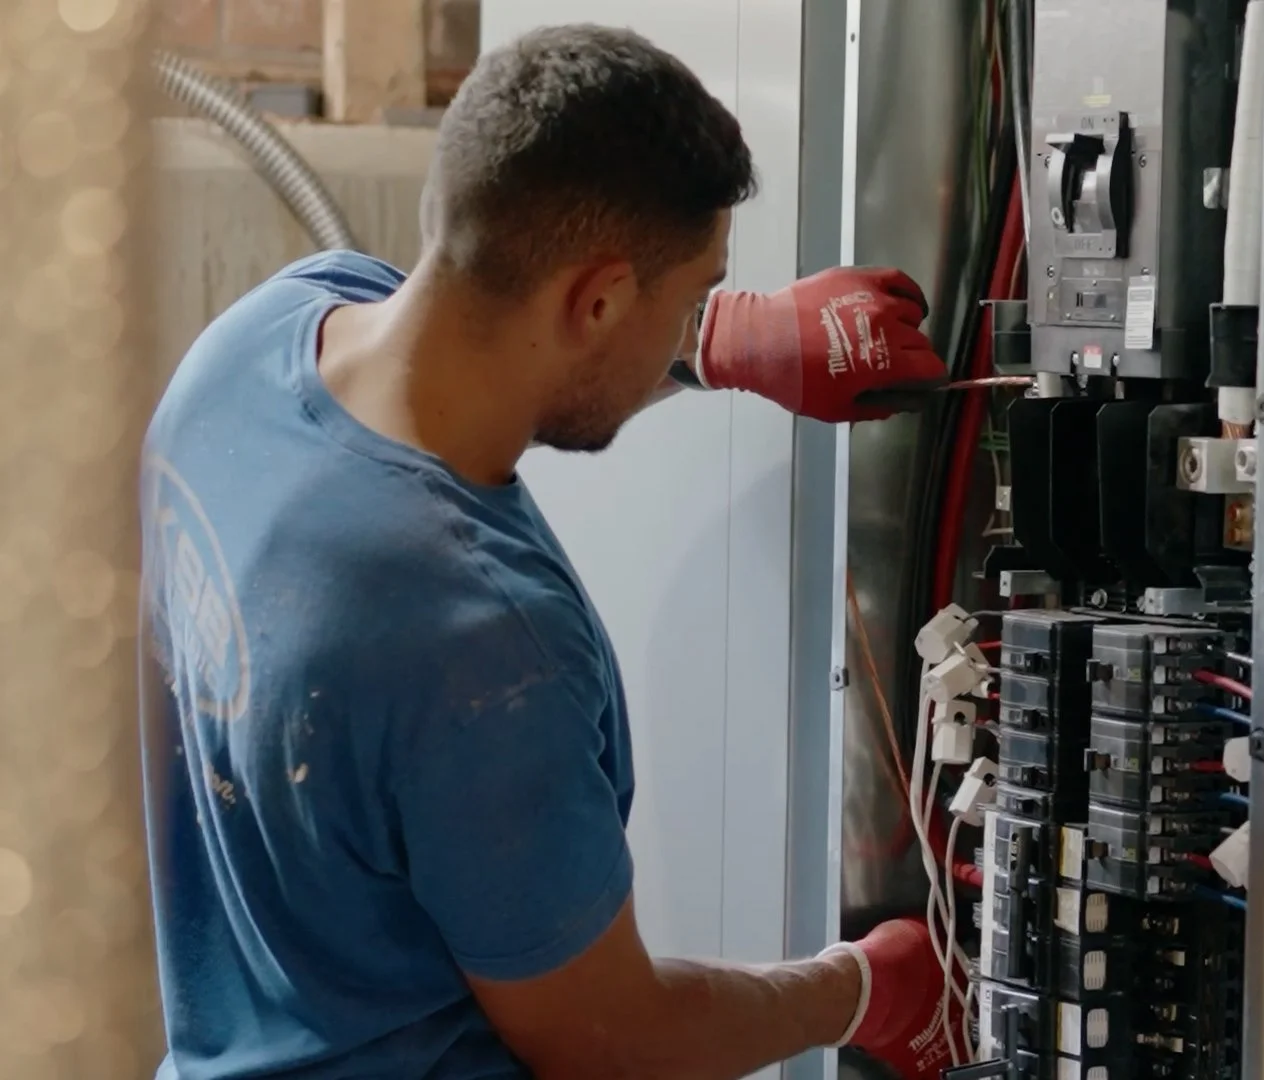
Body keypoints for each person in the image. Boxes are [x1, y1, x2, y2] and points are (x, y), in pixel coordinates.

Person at [138, 22, 957, 1080]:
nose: (690, 317)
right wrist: (865, 988)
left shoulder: (261, 338)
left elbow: (487, 341)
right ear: (601, 299)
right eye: (690, 294)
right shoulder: (483, 652)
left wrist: (723, 345)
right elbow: (616, 1042)